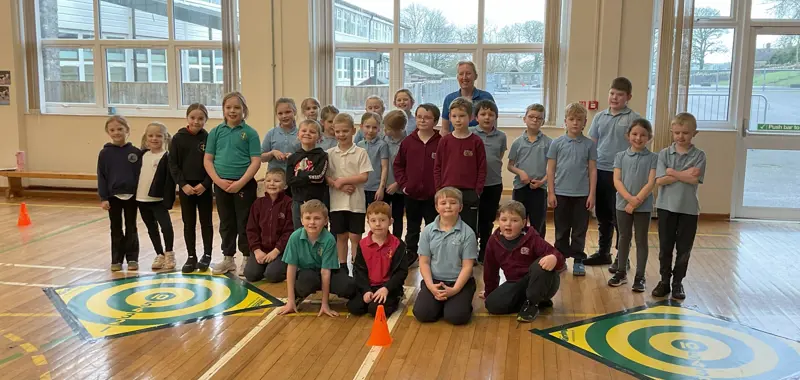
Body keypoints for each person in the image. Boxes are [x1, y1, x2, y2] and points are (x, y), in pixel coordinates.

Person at [584, 77, 642, 272]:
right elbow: (592, 143)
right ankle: (603, 252)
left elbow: (638, 145)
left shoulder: (633, 118)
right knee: (603, 215)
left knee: (620, 218)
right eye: (612, 93)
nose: (614, 97)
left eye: (620, 95)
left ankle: (622, 257)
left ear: (628, 97)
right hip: (600, 171)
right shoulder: (600, 117)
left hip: (622, 175)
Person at [204, 92, 261, 276]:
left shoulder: (250, 133)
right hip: (221, 186)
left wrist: (240, 183)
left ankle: (246, 256)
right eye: (228, 107)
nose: (232, 111)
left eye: (237, 107)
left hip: (243, 185)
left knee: (244, 221)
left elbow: (255, 161)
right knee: (226, 222)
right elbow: (208, 160)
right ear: (223, 109)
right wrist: (218, 181)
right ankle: (228, 258)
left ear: (244, 110)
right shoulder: (215, 132)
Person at [481, 200, 564, 322]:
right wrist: (490, 292)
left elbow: (558, 255)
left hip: (540, 280)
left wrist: (554, 258)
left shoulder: (532, 238)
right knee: (492, 304)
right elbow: (490, 270)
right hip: (516, 284)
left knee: (542, 263)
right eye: (504, 220)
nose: (508, 224)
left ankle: (532, 303)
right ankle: (536, 301)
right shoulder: (494, 241)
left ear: (523, 223)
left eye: (514, 220)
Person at [653, 113, 706, 301]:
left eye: (685, 133)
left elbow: (694, 180)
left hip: (688, 210)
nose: (680, 136)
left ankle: (678, 282)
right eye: (677, 132)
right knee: (665, 247)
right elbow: (660, 181)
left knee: (684, 249)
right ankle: (664, 281)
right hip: (666, 207)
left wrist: (672, 172)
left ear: (694, 133)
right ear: (671, 132)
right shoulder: (664, 154)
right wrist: (683, 174)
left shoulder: (699, 156)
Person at [277, 200, 355, 317]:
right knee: (307, 280)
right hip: (307, 274)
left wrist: (325, 304)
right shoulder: (295, 237)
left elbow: (325, 272)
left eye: (317, 218)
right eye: (308, 218)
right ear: (302, 220)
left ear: (325, 221)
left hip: (326, 272)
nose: (312, 222)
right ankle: (296, 297)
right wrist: (290, 300)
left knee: (349, 285)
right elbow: (291, 268)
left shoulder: (329, 239)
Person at [412, 187, 478, 325]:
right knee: (423, 314)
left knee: (456, 317)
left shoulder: (468, 233)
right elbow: (424, 262)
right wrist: (430, 286)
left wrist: (455, 290)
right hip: (435, 281)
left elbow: (467, 267)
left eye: (453, 202)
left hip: (459, 283)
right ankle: (440, 303)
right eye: (443, 203)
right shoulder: (428, 231)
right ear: (436, 207)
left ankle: (459, 302)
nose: (448, 206)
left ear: (460, 207)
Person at [546, 102, 597, 276]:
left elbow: (592, 170)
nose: (575, 123)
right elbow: (551, 169)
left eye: (579, 120)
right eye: (572, 119)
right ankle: (560, 258)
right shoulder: (557, 143)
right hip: (561, 193)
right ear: (565, 121)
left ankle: (578, 259)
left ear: (584, 123)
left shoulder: (589, 145)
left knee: (579, 229)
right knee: (561, 229)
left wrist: (592, 194)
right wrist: (551, 192)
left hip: (582, 195)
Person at [607, 118, 657, 291]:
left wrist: (636, 201)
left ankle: (640, 276)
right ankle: (621, 272)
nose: (638, 138)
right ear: (628, 136)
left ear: (649, 137)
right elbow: (617, 180)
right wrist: (629, 199)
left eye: (643, 135)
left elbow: (651, 183)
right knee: (623, 238)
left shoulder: (653, 158)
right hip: (622, 205)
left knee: (641, 240)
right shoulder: (620, 156)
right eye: (635, 134)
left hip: (643, 206)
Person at [394, 103, 442, 267]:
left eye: (427, 117)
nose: (422, 120)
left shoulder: (441, 142)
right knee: (412, 227)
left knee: (433, 227)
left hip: (433, 195)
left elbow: (445, 167)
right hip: (412, 194)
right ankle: (411, 254)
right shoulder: (408, 142)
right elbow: (398, 165)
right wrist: (404, 185)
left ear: (435, 121)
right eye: (420, 116)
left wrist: (439, 188)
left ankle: (433, 256)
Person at [170, 103, 214, 272]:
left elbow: (212, 163)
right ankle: (191, 256)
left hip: (203, 187)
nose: (196, 121)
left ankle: (207, 254)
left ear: (205, 120)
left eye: (201, 118)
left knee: (206, 222)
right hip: (186, 188)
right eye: (193, 118)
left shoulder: (208, 138)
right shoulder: (178, 138)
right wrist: (183, 185)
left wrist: (205, 184)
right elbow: (173, 164)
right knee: (189, 223)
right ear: (187, 118)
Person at [434, 97, 486, 237]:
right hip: (448, 191)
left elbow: (482, 168)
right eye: (454, 116)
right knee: (448, 227)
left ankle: (469, 257)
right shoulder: (445, 141)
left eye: (462, 116)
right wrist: (439, 189)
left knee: (469, 229)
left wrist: (477, 191)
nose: (458, 120)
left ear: (471, 117)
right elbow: (437, 166)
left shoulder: (476, 141)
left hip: (469, 192)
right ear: (449, 117)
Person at [348, 201, 411, 317]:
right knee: (354, 307)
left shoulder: (398, 245)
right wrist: (366, 290)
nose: (378, 224)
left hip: (388, 287)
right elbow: (359, 270)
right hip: (369, 286)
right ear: (368, 222)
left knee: (375, 309)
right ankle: (372, 298)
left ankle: (396, 297)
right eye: (373, 220)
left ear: (390, 222)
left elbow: (401, 272)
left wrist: (387, 288)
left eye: (382, 220)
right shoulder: (362, 244)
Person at [326, 113, 372, 268]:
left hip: (356, 202)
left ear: (353, 130)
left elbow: (364, 176)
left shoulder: (360, 152)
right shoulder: (330, 153)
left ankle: (357, 264)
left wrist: (344, 180)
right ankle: (342, 266)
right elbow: (326, 176)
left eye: (345, 131)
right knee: (341, 236)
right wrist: (337, 184)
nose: (341, 135)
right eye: (337, 131)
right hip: (337, 203)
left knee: (355, 236)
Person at [97, 115, 142, 271]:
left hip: (132, 197)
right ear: (108, 132)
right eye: (112, 130)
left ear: (127, 130)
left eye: (120, 129)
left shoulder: (136, 153)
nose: (116, 132)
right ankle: (116, 259)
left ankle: (132, 258)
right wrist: (103, 197)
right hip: (113, 197)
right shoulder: (104, 154)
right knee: (116, 228)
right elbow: (102, 176)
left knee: (131, 226)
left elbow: (140, 176)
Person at [136, 122, 176, 271]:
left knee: (166, 226)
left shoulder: (166, 156)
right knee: (151, 228)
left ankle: (169, 252)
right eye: (151, 135)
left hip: (158, 200)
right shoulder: (142, 155)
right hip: (142, 199)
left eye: (158, 136)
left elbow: (169, 181)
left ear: (165, 138)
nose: (154, 139)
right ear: (146, 138)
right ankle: (159, 253)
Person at [508, 104, 552, 238]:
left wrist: (542, 181)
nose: (534, 120)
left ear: (543, 121)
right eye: (531, 117)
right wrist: (520, 172)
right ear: (524, 119)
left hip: (539, 188)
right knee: (517, 221)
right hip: (520, 188)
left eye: (539, 118)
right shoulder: (517, 143)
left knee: (538, 223)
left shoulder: (548, 143)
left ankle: (537, 251)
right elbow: (510, 166)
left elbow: (552, 168)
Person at [471, 99, 506, 262]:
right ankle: (470, 249)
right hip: (472, 185)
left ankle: (485, 249)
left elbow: (498, 156)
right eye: (483, 114)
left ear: (496, 117)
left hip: (493, 184)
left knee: (487, 218)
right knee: (471, 219)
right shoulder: (470, 133)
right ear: (476, 117)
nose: (487, 117)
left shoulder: (501, 136)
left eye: (491, 114)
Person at [244, 168, 294, 283]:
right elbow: (251, 229)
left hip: (281, 251)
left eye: (276, 181)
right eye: (268, 181)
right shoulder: (258, 204)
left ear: (285, 185)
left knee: (272, 275)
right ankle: (266, 264)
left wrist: (276, 251)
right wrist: (256, 250)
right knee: (251, 275)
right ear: (264, 183)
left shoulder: (289, 204)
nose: (272, 184)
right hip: (261, 249)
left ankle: (281, 266)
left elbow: (289, 231)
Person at [286, 119, 329, 229]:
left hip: (317, 201)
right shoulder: (292, 158)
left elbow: (319, 177)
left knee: (318, 232)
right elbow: (289, 181)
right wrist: (308, 177)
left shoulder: (322, 155)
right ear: (298, 134)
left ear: (319, 137)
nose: (307, 133)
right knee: (299, 232)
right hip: (298, 201)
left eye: (312, 132)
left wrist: (300, 175)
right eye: (304, 130)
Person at [441, 60, 496, 135]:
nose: (464, 77)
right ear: (457, 77)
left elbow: (493, 126)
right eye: (461, 74)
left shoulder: (486, 97)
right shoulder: (449, 99)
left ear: (475, 76)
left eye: (468, 73)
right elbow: (445, 129)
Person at [381, 110, 407, 239]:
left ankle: (396, 242)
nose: (385, 130)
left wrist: (398, 184)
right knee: (383, 216)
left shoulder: (407, 143)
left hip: (399, 188)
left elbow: (410, 167)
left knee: (397, 217)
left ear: (400, 129)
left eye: (388, 128)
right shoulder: (384, 140)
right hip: (385, 185)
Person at [357, 112, 389, 209]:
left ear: (379, 128)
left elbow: (385, 167)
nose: (370, 130)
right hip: (361, 187)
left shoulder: (382, 145)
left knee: (376, 216)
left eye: (374, 128)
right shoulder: (359, 144)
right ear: (362, 126)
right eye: (367, 127)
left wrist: (381, 188)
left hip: (375, 188)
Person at [261, 98, 300, 172]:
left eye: (288, 112)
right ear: (276, 115)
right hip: (274, 178)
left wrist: (294, 157)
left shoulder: (301, 134)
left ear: (294, 112)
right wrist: (272, 153)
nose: (284, 116)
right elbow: (261, 158)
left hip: (294, 177)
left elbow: (307, 158)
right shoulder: (271, 133)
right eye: (280, 113)